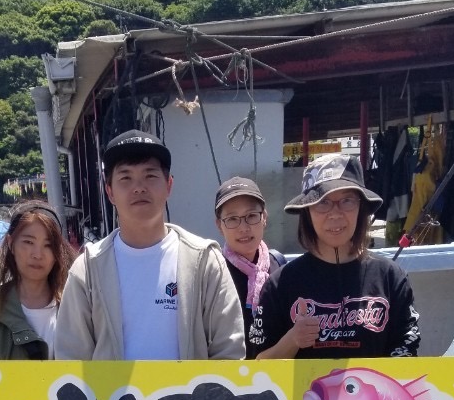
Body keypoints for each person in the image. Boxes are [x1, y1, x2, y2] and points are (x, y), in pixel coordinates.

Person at [55, 130, 244, 360]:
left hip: (191, 397)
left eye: (150, 176)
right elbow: (71, 357)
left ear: (169, 185)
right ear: (110, 192)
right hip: (110, 398)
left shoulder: (204, 260)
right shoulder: (88, 268)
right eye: (125, 178)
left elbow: (229, 350)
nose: (139, 187)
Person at [250, 153, 420, 360]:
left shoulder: (391, 277)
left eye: (347, 201)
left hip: (371, 392)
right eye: (322, 203)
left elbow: (407, 354)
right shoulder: (280, 284)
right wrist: (292, 340)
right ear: (307, 211)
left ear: (361, 207)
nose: (335, 214)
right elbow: (257, 366)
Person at [0, 200, 75, 360]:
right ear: (11, 243)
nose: (37, 254)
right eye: (28, 242)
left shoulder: (78, 306)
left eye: (48, 245)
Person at [214, 176, 285, 353]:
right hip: (230, 376)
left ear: (265, 218)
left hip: (276, 375)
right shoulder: (213, 272)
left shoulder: (279, 266)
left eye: (251, 216)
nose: (243, 228)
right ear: (219, 225)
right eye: (232, 219)